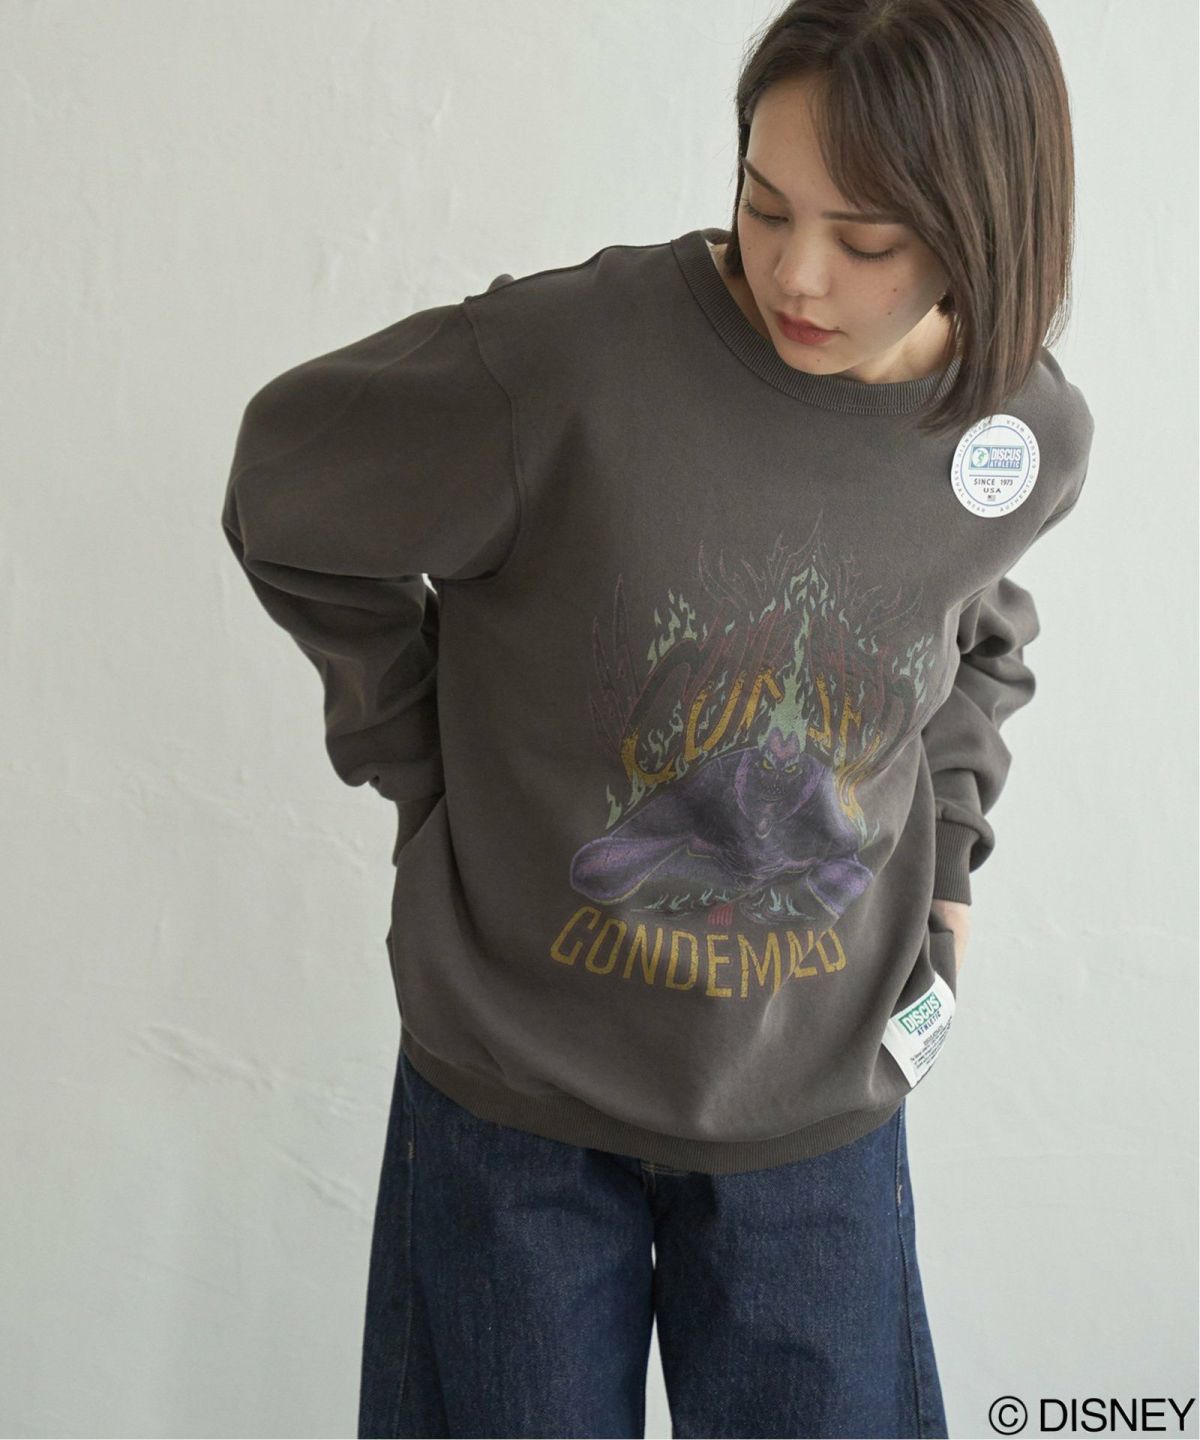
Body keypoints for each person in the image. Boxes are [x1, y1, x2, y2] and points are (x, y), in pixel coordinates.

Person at [220, 0, 1095, 1434]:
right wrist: (419, 762)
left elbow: (971, 627)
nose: (798, 273)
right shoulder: (566, 366)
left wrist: (948, 864)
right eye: (766, 204)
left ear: (983, 230)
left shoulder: (1018, 437)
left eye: (867, 240)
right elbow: (286, 492)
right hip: (514, 1102)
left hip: (818, 1105)